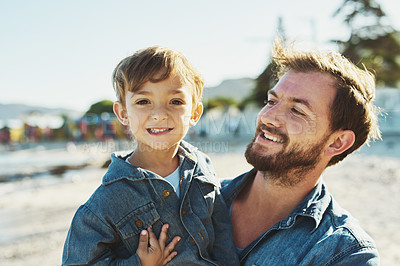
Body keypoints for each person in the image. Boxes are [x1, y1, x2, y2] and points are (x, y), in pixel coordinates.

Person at [62, 46, 239, 265]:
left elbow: (221, 230)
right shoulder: (108, 200)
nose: (159, 114)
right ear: (123, 113)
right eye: (143, 102)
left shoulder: (201, 166)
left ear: (194, 113)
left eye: (175, 102)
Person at [222, 40, 381, 265]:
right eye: (271, 101)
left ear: (337, 142)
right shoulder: (193, 197)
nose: (267, 117)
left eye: (297, 111)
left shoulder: (345, 253)